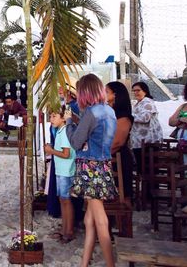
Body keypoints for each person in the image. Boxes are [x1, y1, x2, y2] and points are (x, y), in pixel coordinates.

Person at [66, 74, 117, 267]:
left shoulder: (91, 112)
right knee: (90, 220)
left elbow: (76, 142)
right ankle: (84, 263)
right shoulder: (109, 111)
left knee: (100, 220)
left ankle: (110, 263)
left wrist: (69, 122)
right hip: (103, 165)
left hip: (90, 168)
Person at [44, 106, 76, 243]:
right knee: (63, 200)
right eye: (50, 116)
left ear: (63, 118)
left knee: (66, 200)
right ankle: (64, 228)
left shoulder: (64, 133)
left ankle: (69, 231)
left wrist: (51, 151)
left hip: (66, 170)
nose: (51, 119)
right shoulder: (59, 131)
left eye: (54, 116)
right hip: (61, 170)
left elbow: (66, 153)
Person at [105, 81, 134, 205]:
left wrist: (101, 155)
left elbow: (117, 142)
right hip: (109, 156)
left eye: (106, 92)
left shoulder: (123, 116)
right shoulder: (109, 112)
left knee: (122, 194)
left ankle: (123, 223)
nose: (103, 94)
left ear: (115, 95)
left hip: (119, 158)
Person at [129, 81, 163, 174]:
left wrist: (129, 116)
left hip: (148, 141)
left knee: (149, 170)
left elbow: (145, 118)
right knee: (142, 170)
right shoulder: (138, 103)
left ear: (145, 91)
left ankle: (151, 188)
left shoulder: (147, 102)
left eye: (138, 90)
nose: (136, 93)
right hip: (139, 141)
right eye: (134, 91)